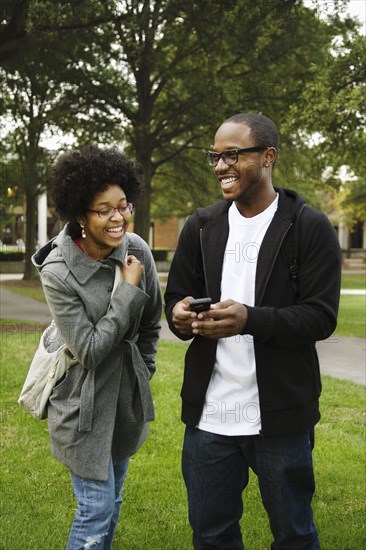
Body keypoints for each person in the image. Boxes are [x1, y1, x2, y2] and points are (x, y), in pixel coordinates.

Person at [165, 113, 341, 549]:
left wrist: (250, 319)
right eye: (215, 157)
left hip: (279, 415)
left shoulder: (307, 226)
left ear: (267, 157)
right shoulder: (201, 226)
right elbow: (176, 300)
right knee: (211, 534)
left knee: (294, 535)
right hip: (209, 417)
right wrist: (181, 316)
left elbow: (320, 316)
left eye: (232, 155)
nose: (221, 165)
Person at [32, 145, 162, 549]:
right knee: (96, 508)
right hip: (79, 404)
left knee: (114, 497)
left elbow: (152, 323)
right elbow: (88, 349)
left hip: (124, 397)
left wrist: (143, 372)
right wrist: (126, 291)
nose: (117, 217)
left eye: (123, 206)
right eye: (104, 209)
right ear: (80, 216)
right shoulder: (58, 270)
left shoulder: (137, 250)